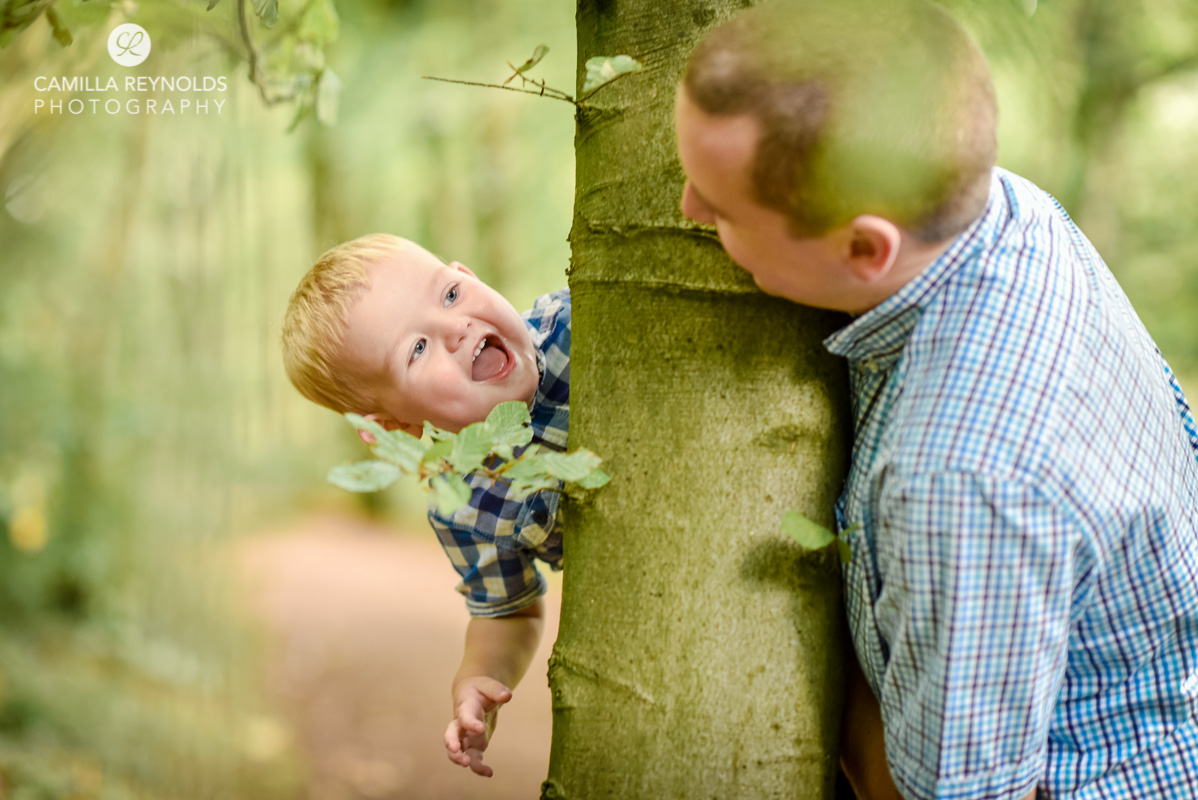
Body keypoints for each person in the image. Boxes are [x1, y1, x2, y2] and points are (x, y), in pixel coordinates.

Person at [674, 1, 1198, 799]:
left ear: (863, 247)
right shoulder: (1005, 208)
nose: (687, 209)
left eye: (722, 206)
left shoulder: (959, 478)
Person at [281, 233, 570, 778]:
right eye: (416, 349)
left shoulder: (583, 327)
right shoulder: (464, 503)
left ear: (468, 272)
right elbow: (509, 610)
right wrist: (478, 677)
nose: (453, 328)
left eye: (450, 293)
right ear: (391, 424)